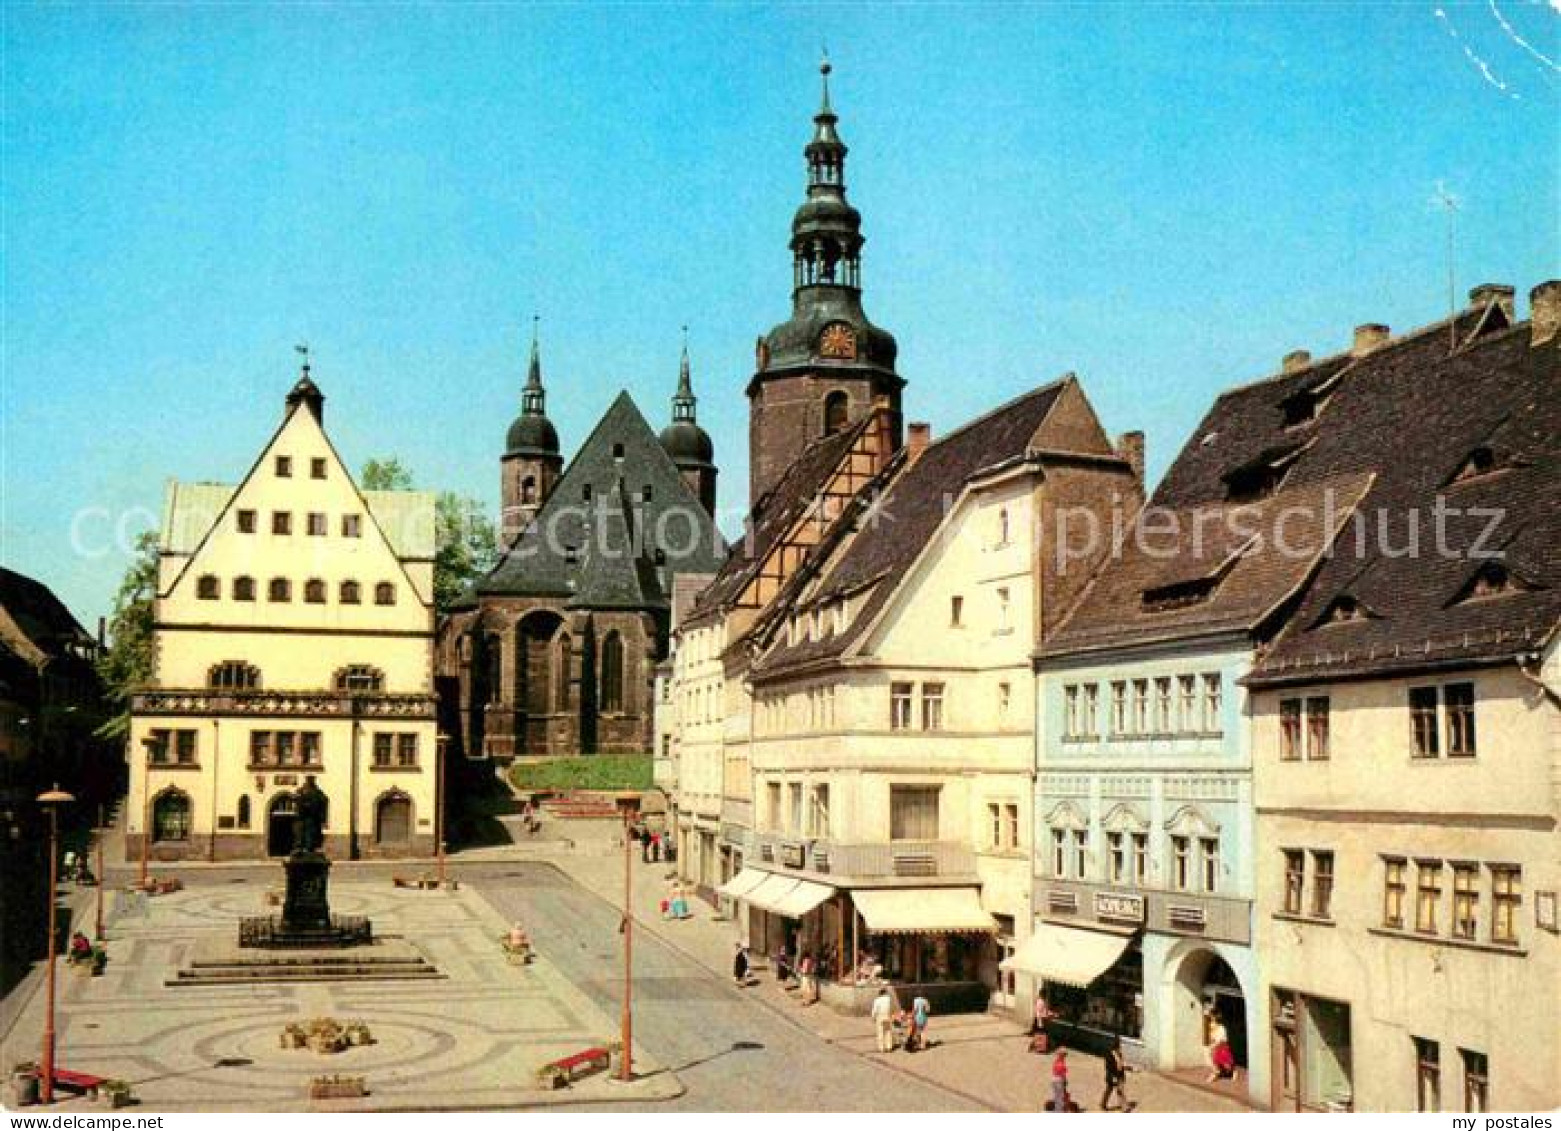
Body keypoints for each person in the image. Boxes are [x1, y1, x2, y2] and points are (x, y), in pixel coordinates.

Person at [1101, 1036, 1130, 1111]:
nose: (1121, 1045)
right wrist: (1113, 1075)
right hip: (1112, 1075)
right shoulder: (1109, 1054)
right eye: (1120, 1043)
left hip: (1120, 1074)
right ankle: (1103, 1104)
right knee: (1109, 1090)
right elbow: (1108, 1066)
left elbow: (1121, 1064)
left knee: (1120, 1090)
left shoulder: (1119, 1053)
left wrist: (1128, 1068)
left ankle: (1124, 1107)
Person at [1206, 1007, 1235, 1083]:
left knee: (1225, 1062)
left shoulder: (1221, 1028)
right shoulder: (1212, 1025)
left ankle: (1233, 1072)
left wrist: (1215, 1044)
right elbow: (1212, 1035)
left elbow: (1221, 1038)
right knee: (1213, 1060)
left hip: (1222, 1046)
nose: (1210, 1017)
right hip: (1215, 1045)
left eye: (1212, 1016)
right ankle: (1215, 1072)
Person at [871, 987, 896, 1053]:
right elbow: (892, 1008)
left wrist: (873, 1017)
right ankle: (889, 1047)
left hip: (880, 1015)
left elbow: (875, 1010)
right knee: (888, 1031)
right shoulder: (889, 999)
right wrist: (893, 1015)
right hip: (888, 1015)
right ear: (885, 993)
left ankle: (881, 1048)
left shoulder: (877, 1000)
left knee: (880, 1032)